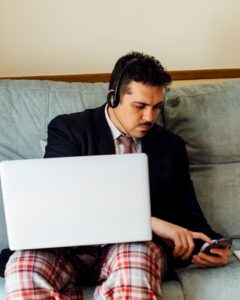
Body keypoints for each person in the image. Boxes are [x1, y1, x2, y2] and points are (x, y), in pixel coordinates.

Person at [4, 51, 231, 299]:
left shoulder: (170, 146)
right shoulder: (70, 129)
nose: (150, 117)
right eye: (140, 106)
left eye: (156, 108)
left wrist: (212, 246)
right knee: (23, 267)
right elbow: (63, 202)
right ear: (113, 97)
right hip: (66, 249)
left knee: (134, 261)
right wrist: (151, 222)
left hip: (132, 250)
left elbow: (190, 214)